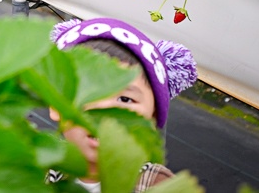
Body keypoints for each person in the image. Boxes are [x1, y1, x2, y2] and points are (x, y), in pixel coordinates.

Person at [45, 17, 198, 192]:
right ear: (55, 105)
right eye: (88, 92)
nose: (104, 110)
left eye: (125, 99)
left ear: (152, 120)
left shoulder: (157, 185)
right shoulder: (36, 164)